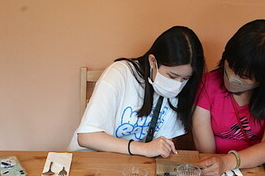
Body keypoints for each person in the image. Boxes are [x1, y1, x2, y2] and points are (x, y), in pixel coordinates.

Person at [69, 26, 205, 158]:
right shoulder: (121, 73)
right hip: (92, 159)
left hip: (132, 165)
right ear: (153, 61)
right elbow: (86, 137)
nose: (177, 85)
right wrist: (142, 148)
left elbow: (162, 146)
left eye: (185, 78)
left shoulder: (180, 93)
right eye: (172, 76)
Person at [192, 19, 265, 176]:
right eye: (230, 66)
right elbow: (207, 153)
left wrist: (227, 162)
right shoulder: (207, 83)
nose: (232, 77)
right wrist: (217, 165)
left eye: (244, 76)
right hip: (214, 171)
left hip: (257, 169)